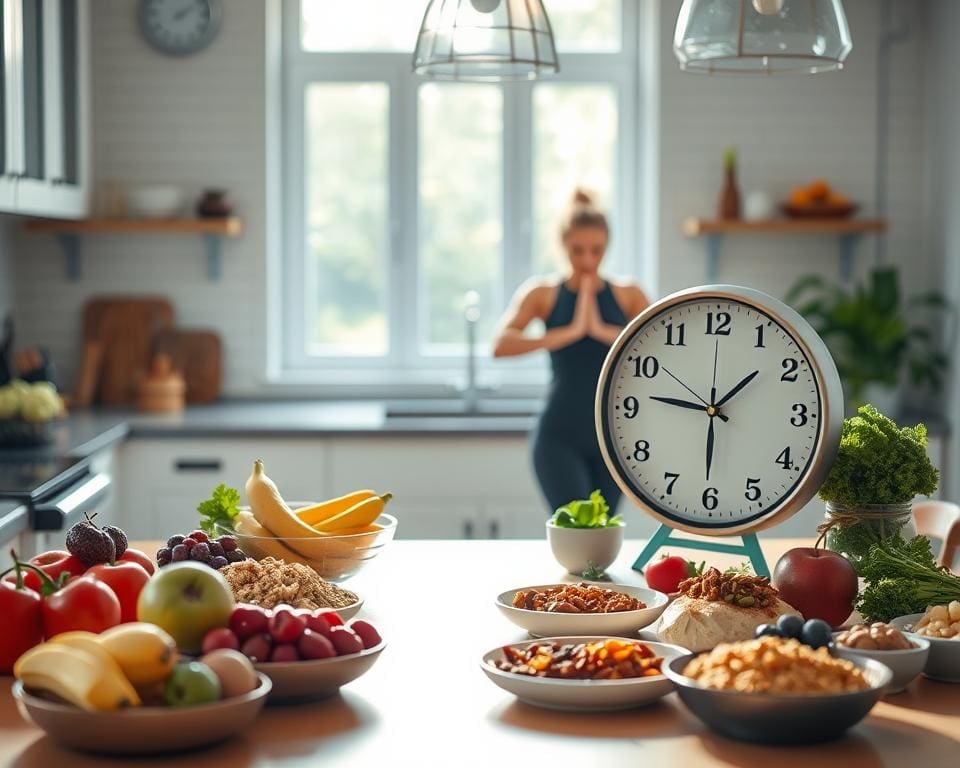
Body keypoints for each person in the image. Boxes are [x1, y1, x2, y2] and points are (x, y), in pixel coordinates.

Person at [492, 189, 650, 515]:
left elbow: (661, 349)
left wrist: (602, 332)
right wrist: (566, 334)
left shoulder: (628, 294)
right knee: (577, 531)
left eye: (597, 250)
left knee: (602, 534)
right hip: (558, 437)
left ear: (607, 245)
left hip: (615, 438)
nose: (588, 260)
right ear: (562, 246)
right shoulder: (543, 294)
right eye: (577, 251)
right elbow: (500, 345)